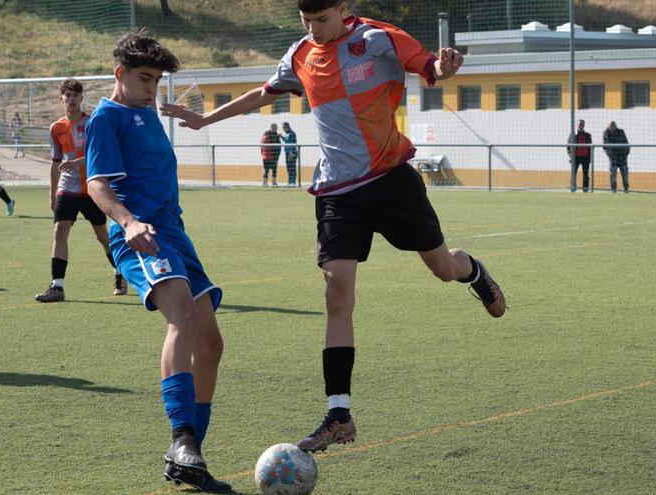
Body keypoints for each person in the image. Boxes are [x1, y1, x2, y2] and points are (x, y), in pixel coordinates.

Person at [162, 0, 505, 454]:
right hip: (337, 192)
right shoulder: (301, 53)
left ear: (343, 8)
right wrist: (206, 119)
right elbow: (267, 91)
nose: (314, 29)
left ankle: (473, 272)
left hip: (391, 180)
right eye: (306, 21)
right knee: (336, 292)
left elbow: (431, 67)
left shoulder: (379, 39)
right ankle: (339, 414)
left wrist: (444, 65)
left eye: (321, 19)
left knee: (443, 267)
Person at [84, 29, 230, 493]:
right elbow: (97, 185)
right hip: (141, 236)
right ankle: (181, 439)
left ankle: (191, 457)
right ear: (119, 74)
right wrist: (127, 223)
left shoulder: (145, 113)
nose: (152, 89)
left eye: (157, 80)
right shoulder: (107, 118)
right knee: (182, 317)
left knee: (211, 344)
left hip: (174, 235)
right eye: (144, 79)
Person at [34, 78, 127, 303]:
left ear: (81, 98)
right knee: (59, 231)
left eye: (75, 95)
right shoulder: (56, 128)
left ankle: (120, 271)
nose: (72, 99)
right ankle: (57, 287)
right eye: (68, 95)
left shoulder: (93, 122)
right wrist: (52, 192)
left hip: (93, 189)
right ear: (62, 99)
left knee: (102, 236)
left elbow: (102, 153)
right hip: (67, 189)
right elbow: (56, 162)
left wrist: (78, 162)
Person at [603, 121, 630, 193]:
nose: (612, 127)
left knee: (625, 172)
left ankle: (626, 188)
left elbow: (626, 142)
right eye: (611, 126)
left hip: (622, 156)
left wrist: (626, 152)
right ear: (608, 127)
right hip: (613, 157)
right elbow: (605, 145)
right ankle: (613, 189)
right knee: (613, 173)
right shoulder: (606, 133)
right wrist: (609, 154)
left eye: (613, 125)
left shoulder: (621, 132)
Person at [567, 119, 592, 193]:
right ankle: (573, 188)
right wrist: (571, 156)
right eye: (579, 124)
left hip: (585, 157)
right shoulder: (573, 135)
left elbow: (590, 147)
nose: (580, 125)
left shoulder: (588, 135)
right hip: (576, 157)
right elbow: (568, 147)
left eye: (582, 124)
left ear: (584, 125)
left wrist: (590, 157)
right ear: (577, 125)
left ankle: (585, 189)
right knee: (573, 174)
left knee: (585, 174)